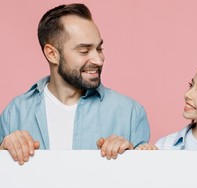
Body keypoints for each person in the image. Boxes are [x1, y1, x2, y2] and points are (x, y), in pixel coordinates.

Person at [0, 3, 150, 165]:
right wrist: (3, 154)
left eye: (99, 49)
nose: (98, 60)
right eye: (84, 51)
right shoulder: (15, 113)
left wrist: (131, 160)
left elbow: (145, 183)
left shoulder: (130, 113)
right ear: (52, 54)